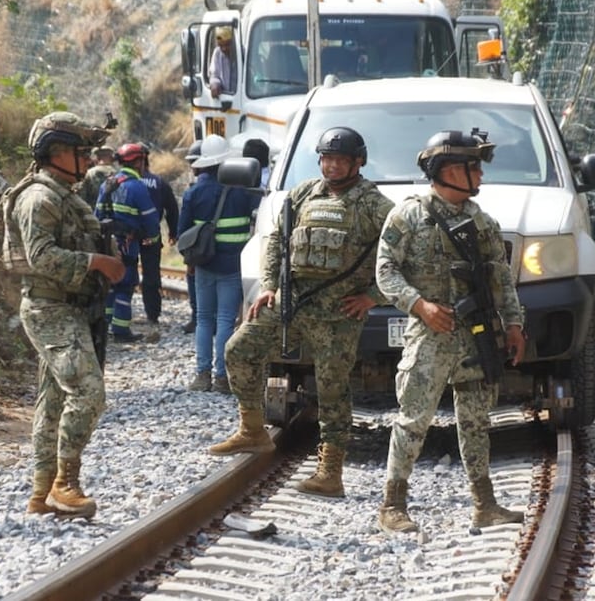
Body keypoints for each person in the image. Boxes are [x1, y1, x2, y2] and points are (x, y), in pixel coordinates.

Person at [208, 127, 393, 500]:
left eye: (341, 159)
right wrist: (270, 286)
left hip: (338, 313)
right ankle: (253, 428)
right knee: (238, 350)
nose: (333, 165)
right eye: (327, 158)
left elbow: (403, 257)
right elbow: (277, 238)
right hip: (290, 301)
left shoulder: (375, 205)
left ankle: (331, 471)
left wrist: (373, 296)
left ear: (359, 162)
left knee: (332, 390)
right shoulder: (304, 193)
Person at [374, 130, 527, 534]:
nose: (480, 175)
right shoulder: (408, 215)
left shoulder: (484, 223)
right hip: (430, 336)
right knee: (413, 420)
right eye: (472, 167)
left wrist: (514, 325)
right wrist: (419, 306)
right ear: (447, 171)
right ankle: (392, 504)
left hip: (477, 336)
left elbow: (501, 282)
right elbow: (385, 271)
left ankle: (485, 504)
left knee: (477, 421)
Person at [3, 111, 125, 518]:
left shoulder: (65, 195)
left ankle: (41, 494)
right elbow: (41, 257)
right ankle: (64, 483)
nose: (88, 160)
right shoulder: (39, 197)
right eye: (80, 152)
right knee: (89, 393)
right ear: (55, 153)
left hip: (72, 307)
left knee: (53, 402)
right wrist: (96, 262)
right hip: (51, 307)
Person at [179, 135, 259, 393]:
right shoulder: (242, 191)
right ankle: (223, 377)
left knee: (204, 319)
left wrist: (189, 261)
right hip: (234, 264)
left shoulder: (193, 192)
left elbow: (182, 233)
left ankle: (202, 376)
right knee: (226, 319)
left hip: (204, 264)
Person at [95, 142, 160, 343]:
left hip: (106, 243)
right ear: (138, 162)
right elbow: (149, 218)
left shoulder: (107, 183)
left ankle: (105, 326)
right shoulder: (136, 187)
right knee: (126, 283)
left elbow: (97, 214)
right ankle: (121, 331)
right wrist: (154, 237)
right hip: (127, 243)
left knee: (110, 284)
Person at [139, 145, 180, 328]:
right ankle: (152, 314)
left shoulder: (121, 181)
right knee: (151, 275)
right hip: (151, 236)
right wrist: (173, 231)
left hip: (127, 236)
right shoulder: (159, 182)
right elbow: (172, 209)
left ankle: (118, 317)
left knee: (125, 274)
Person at [181, 139, 202, 334]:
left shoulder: (193, 193)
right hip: (227, 253)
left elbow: (183, 229)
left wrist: (186, 254)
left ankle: (197, 318)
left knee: (195, 283)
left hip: (198, 251)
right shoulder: (229, 188)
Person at [208, 26, 236, 98]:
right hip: (225, 97)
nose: (224, 49)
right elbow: (214, 75)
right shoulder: (217, 53)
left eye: (227, 45)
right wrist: (215, 84)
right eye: (220, 45)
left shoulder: (242, 52)